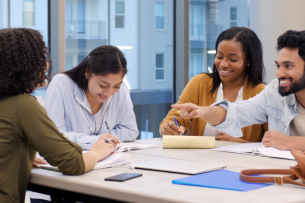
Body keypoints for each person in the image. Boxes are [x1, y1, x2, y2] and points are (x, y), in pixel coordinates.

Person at [0, 28, 117, 203]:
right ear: (24, 64)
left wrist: (16, 156)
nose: (47, 64)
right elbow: (73, 164)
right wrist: (96, 152)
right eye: (41, 57)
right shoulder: (23, 106)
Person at [172, 30, 305, 150]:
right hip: (283, 173)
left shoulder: (262, 88)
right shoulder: (274, 91)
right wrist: (202, 111)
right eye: (278, 66)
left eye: (288, 66)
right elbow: (238, 112)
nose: (279, 74)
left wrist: (291, 142)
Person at [160, 27, 267, 142]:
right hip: (199, 159)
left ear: (249, 61)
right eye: (219, 56)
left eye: (233, 59)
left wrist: (241, 143)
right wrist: (168, 128)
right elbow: (175, 117)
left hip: (241, 160)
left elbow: (273, 143)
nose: (223, 64)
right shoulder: (200, 83)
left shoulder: (262, 92)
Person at [44, 45, 139, 151]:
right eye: (103, 85)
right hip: (71, 161)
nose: (109, 93)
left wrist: (104, 139)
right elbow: (53, 135)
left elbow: (131, 130)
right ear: (87, 71)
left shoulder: (121, 91)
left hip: (110, 160)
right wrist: (95, 140)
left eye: (116, 86)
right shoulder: (61, 84)